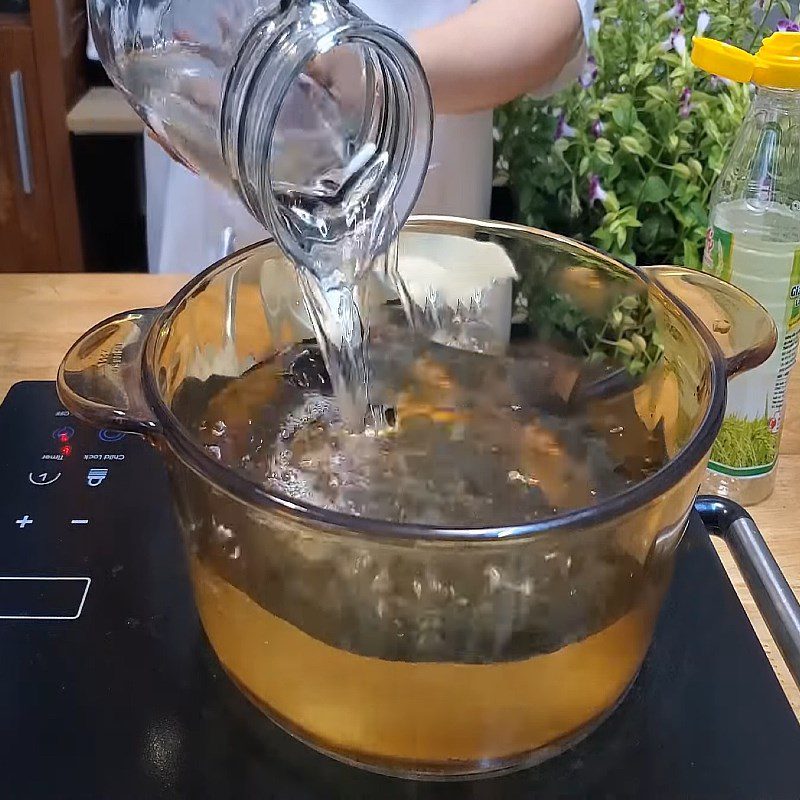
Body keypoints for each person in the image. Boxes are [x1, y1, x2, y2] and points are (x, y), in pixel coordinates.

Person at [145, 0, 595, 274]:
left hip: (415, 230)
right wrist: (161, 84)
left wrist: (374, 73)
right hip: (218, 202)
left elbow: (553, 15)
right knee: (213, 392)